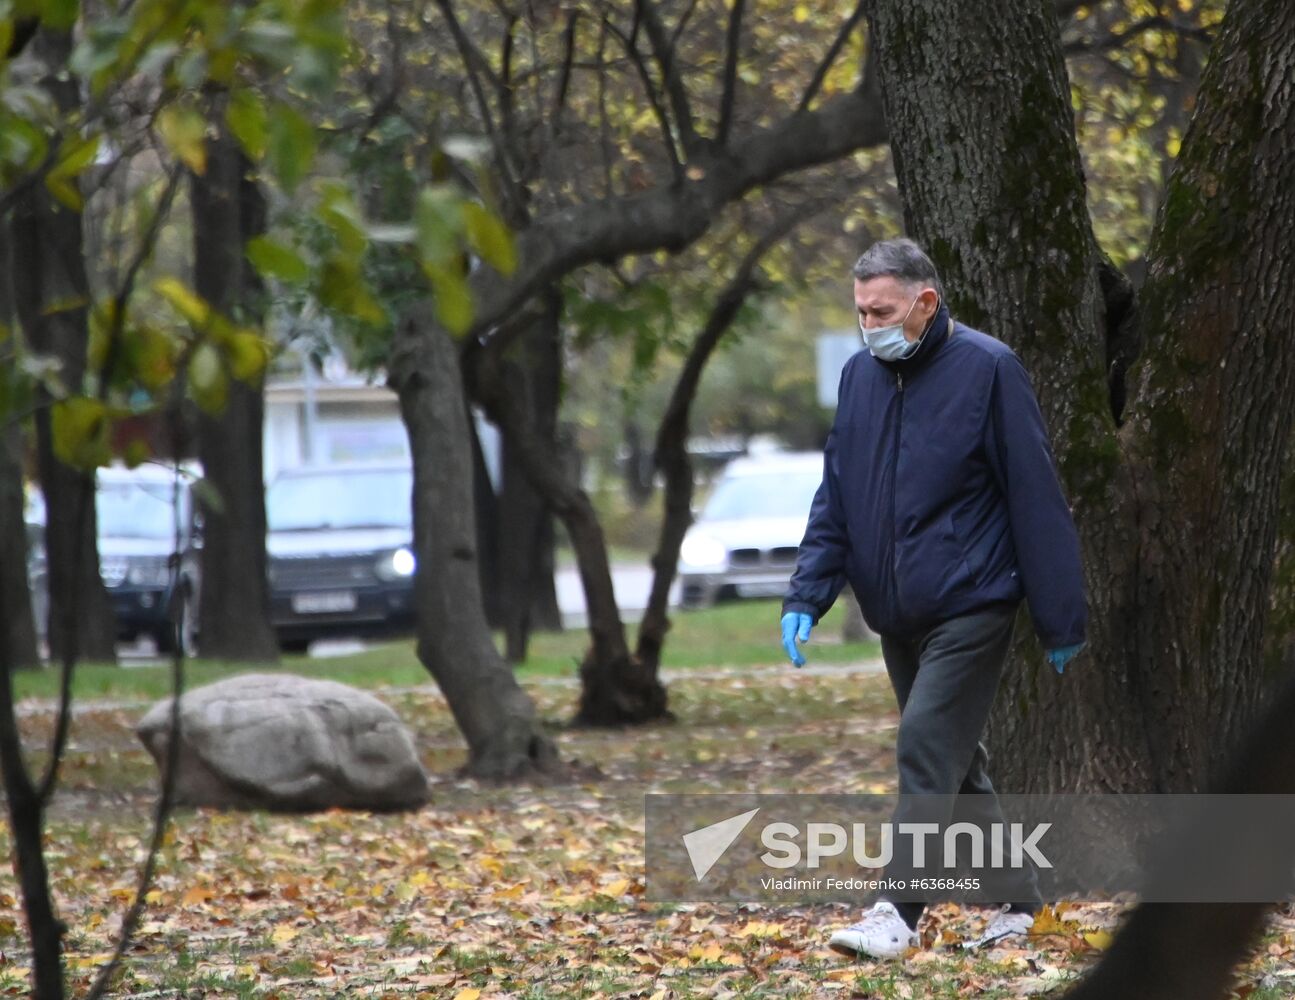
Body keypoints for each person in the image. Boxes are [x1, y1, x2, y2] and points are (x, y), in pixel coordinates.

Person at [779, 238, 1087, 960]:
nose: (868, 325)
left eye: (880, 311)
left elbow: (1033, 494)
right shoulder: (859, 378)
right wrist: (808, 592)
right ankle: (1018, 904)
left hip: (972, 599)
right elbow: (837, 497)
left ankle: (896, 910)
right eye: (859, 312)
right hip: (895, 612)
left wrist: (1058, 614)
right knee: (956, 764)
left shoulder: (987, 369)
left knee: (923, 745)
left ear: (924, 302)